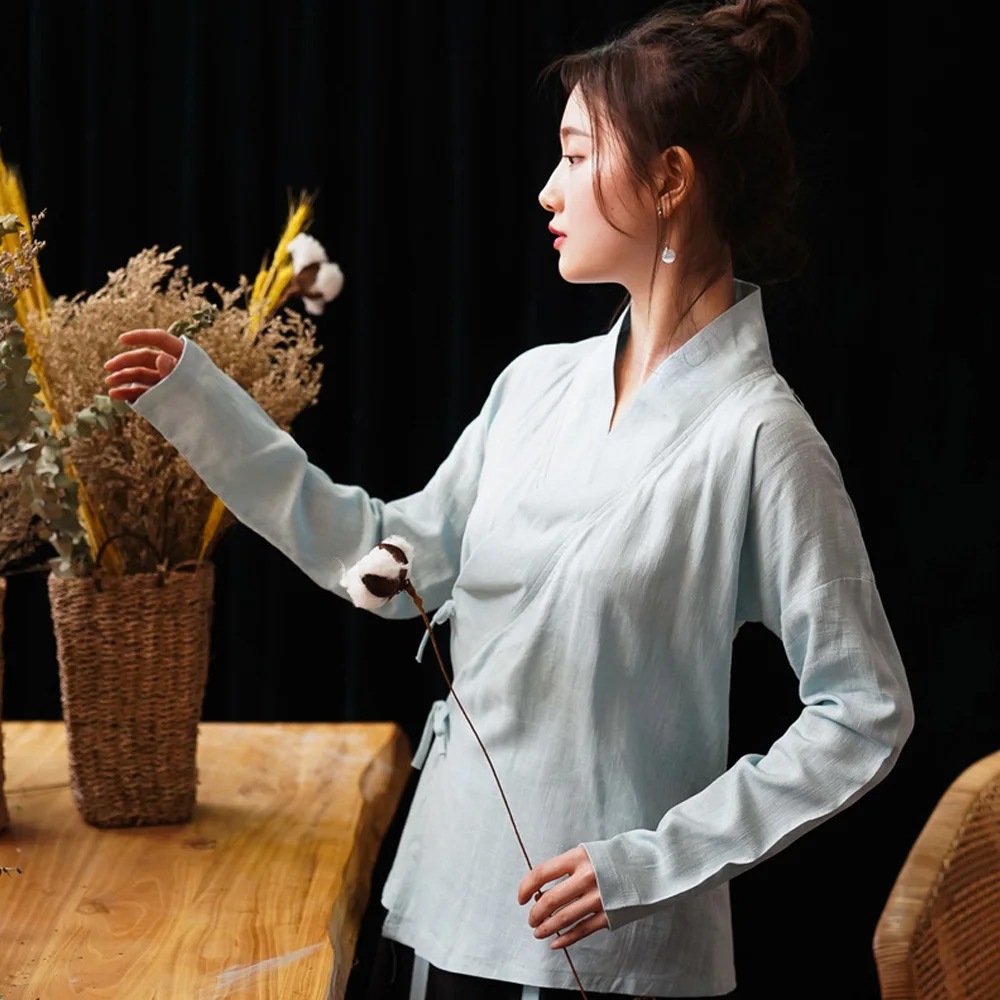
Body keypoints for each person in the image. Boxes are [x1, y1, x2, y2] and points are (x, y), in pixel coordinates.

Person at [103, 0, 914, 997]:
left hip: (611, 960)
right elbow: (382, 555)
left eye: (575, 156)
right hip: (445, 901)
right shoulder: (535, 387)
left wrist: (651, 862)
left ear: (670, 178)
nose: (546, 189)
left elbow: (862, 710)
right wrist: (207, 413)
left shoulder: (759, 437)